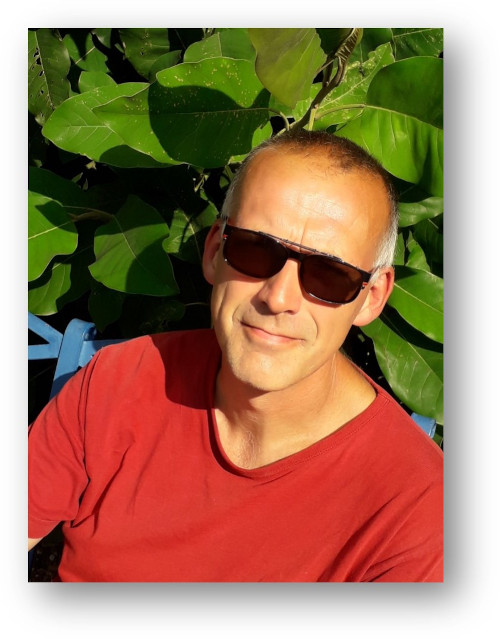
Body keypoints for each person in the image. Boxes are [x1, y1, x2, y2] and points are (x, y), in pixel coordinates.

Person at [28, 130, 443, 582]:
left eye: (329, 274)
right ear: (213, 251)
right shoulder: (119, 383)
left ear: (371, 297)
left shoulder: (414, 508)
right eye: (255, 249)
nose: (278, 298)